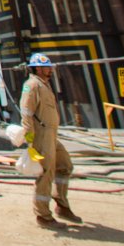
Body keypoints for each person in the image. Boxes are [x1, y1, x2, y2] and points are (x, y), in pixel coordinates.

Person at [20, 52, 81, 228]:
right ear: (38, 68)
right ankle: (43, 216)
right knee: (46, 172)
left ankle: (61, 204)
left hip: (52, 134)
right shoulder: (32, 86)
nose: (50, 70)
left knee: (65, 165)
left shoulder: (44, 85)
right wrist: (30, 140)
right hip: (41, 135)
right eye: (47, 67)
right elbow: (26, 113)